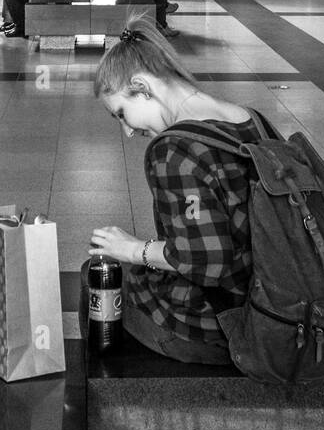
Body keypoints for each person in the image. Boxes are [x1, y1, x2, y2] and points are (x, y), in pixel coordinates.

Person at [88, 20, 264, 366]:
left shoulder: (175, 150)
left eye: (121, 114)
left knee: (97, 277)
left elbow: (206, 263)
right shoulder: (248, 118)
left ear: (140, 86)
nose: (127, 131)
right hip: (271, 302)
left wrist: (134, 250)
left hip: (219, 326)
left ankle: (107, 406)